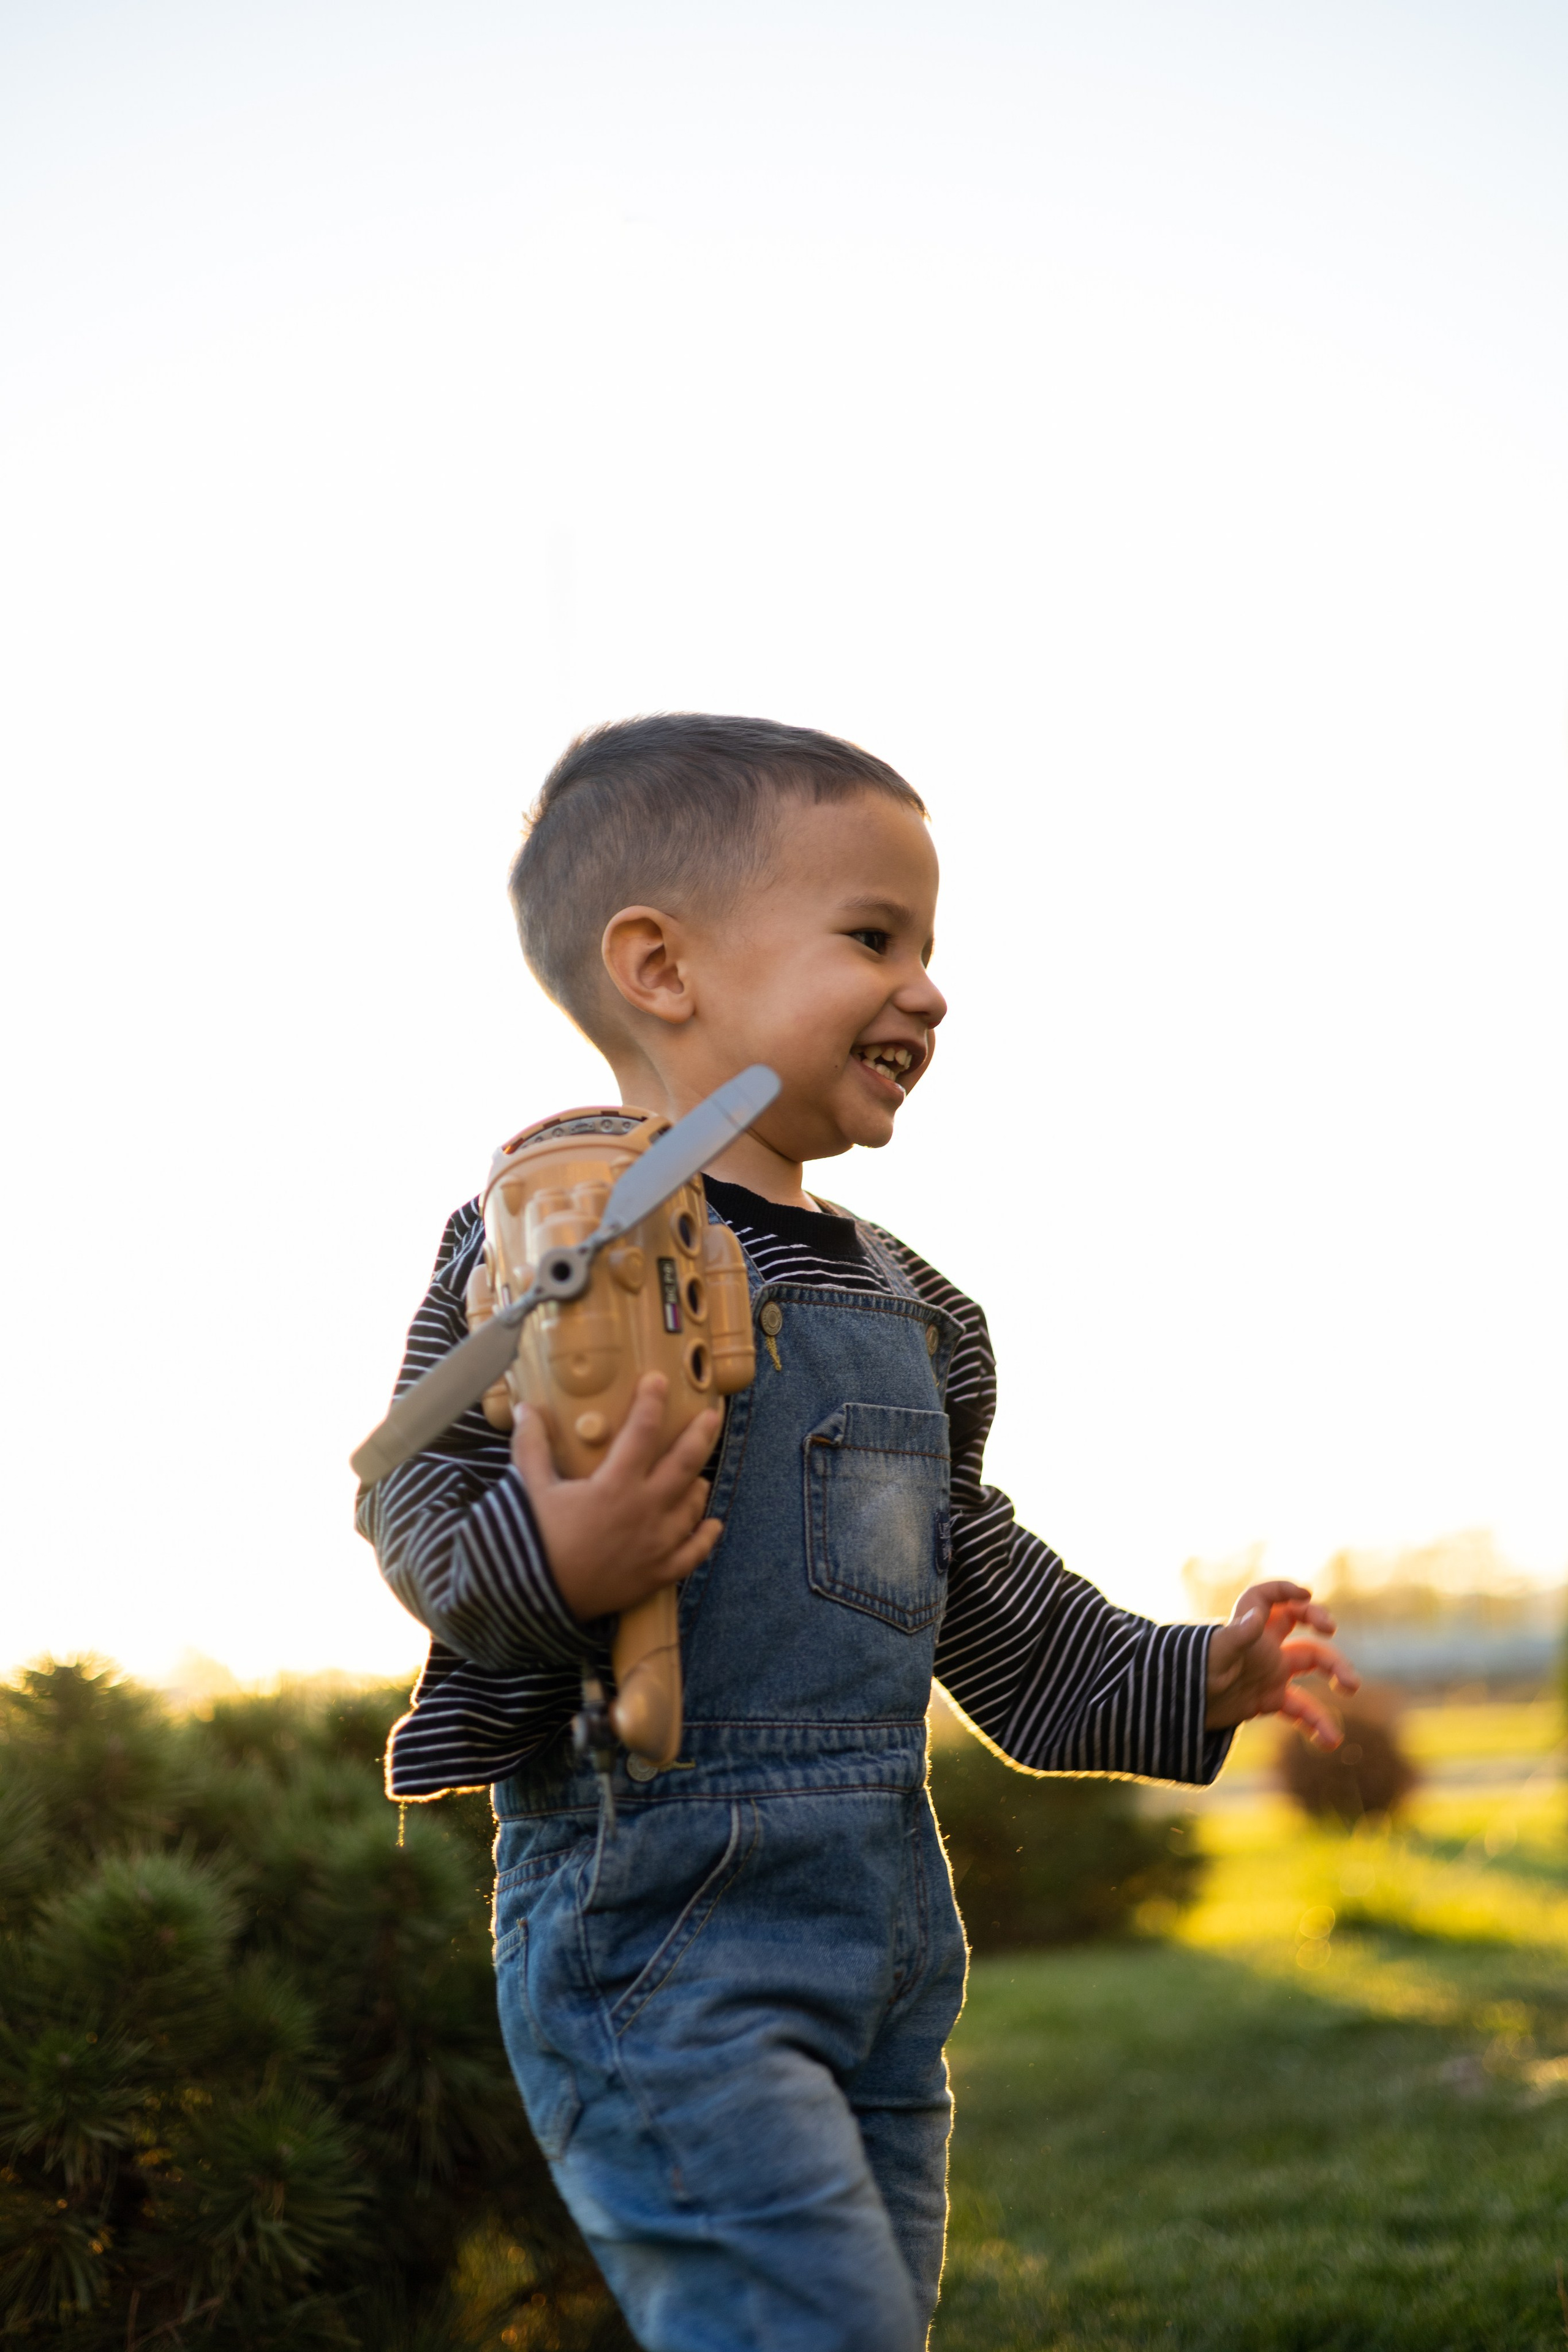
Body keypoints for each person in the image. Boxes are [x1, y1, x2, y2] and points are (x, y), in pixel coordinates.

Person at [356, 713, 1357, 2352]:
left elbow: (977, 1579)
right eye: (873, 939)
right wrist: (559, 1559)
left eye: (931, 947)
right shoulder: (547, 1239)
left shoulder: (912, 1307)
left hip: (885, 1925)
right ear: (660, 968)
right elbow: (415, 1497)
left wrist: (1194, 1676)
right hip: (660, 1920)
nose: (930, 988)